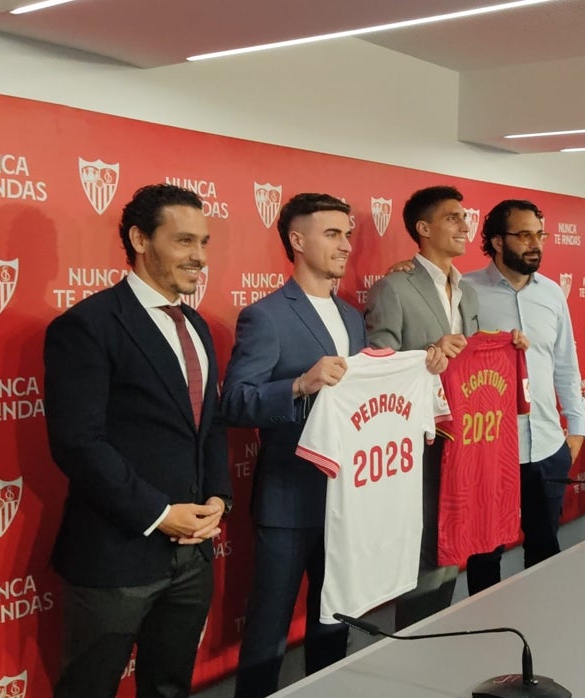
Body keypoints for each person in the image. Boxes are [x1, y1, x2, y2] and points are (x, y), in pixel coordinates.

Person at [220, 192, 444, 698]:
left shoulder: (350, 316)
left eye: (348, 234)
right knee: (269, 631)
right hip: (289, 500)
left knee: (335, 621)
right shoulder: (266, 316)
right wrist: (299, 385)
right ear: (297, 241)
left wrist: (421, 365)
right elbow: (233, 402)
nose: (345, 245)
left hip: (350, 501)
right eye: (332, 234)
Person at [43, 184, 232, 698]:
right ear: (140, 239)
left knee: (169, 687)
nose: (199, 257)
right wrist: (158, 513)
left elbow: (209, 425)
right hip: (115, 556)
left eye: (204, 242)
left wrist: (218, 497)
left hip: (192, 555)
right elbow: (78, 443)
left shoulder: (196, 325)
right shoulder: (88, 325)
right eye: (184, 241)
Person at [364, 185, 479, 628]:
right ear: (424, 228)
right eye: (453, 217)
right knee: (425, 553)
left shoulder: (469, 292)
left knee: (451, 545)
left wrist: (508, 346)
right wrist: (427, 354)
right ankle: (415, 641)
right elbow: (378, 367)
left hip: (464, 440)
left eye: (464, 217)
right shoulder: (394, 288)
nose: (464, 225)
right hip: (418, 443)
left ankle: (438, 632)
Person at [463, 199, 585, 583]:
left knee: (545, 550)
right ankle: (484, 622)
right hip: (489, 448)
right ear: (498, 242)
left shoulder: (552, 294)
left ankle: (541, 618)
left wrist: (577, 428)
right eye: (525, 235)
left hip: (547, 446)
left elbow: (566, 364)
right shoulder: (464, 290)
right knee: (485, 557)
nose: (536, 244)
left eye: (540, 235)